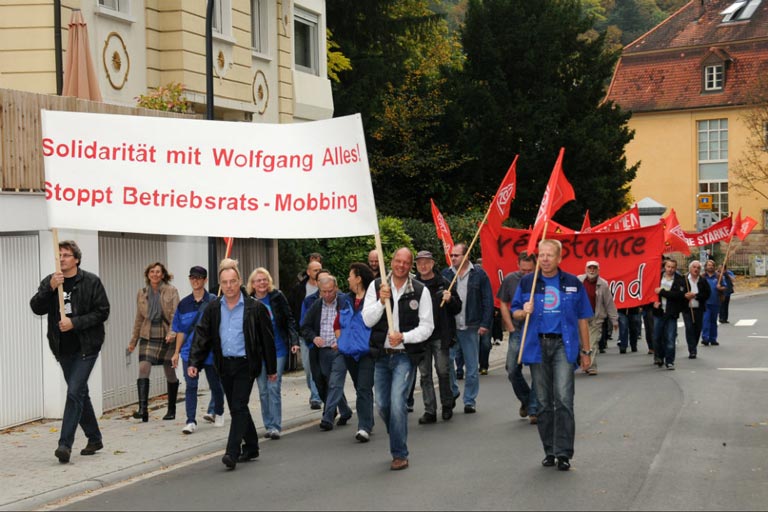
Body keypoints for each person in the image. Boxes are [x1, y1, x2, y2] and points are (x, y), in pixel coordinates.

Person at [511, 239, 592, 471]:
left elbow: (582, 318)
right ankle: (549, 450)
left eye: (550, 255)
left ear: (559, 258)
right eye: (542, 255)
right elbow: (514, 310)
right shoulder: (528, 282)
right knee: (544, 403)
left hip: (563, 347)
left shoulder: (572, 283)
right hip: (537, 346)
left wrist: (586, 352)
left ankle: (564, 452)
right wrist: (521, 311)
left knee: (564, 399)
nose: (545, 259)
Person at [188, 258, 277, 470]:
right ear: (220, 284)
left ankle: (232, 452)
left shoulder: (254, 308)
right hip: (223, 364)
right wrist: (194, 362)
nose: (229, 286)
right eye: (225, 282)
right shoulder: (212, 309)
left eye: (233, 281)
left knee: (237, 406)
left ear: (240, 282)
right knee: (238, 407)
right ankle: (253, 446)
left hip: (246, 365)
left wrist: (271, 368)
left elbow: (267, 340)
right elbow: (202, 336)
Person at [30, 240, 110, 464]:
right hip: (62, 348)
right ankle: (94, 438)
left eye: (66, 255)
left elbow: (103, 311)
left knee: (74, 392)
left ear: (76, 259)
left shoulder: (91, 281)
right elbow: (36, 307)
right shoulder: (52, 280)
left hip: (87, 346)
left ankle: (64, 445)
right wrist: (50, 288)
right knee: (80, 393)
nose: (62, 258)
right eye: (60, 255)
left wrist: (75, 323)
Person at [363, 247, 434, 470]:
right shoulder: (376, 287)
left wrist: (404, 336)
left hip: (405, 356)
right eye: (397, 260)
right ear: (391, 261)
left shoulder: (420, 291)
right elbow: (367, 319)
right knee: (383, 405)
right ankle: (396, 432)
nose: (401, 265)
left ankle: (399, 453)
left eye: (405, 262)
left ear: (410, 265)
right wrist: (380, 302)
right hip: (381, 356)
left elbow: (427, 326)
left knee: (397, 402)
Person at [171, 266, 225, 434]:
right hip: (189, 352)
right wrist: (176, 352)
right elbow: (180, 330)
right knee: (191, 385)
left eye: (199, 277)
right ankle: (190, 421)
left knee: (215, 383)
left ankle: (219, 412)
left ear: (205, 280)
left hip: (209, 351)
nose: (195, 280)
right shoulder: (183, 304)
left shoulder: (214, 301)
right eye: (193, 277)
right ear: (189, 279)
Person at [247, 267, 300, 440]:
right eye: (258, 280)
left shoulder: (277, 297)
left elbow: (289, 319)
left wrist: (294, 341)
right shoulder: (248, 302)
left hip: (278, 349)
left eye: (264, 279)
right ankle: (268, 424)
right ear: (252, 284)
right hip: (258, 352)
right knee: (263, 390)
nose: (262, 283)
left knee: (273, 387)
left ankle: (276, 426)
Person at [442, 243, 493, 413]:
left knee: (472, 366)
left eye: (456, 255)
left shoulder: (479, 274)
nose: (453, 258)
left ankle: (470, 400)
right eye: (452, 255)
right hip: (451, 327)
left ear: (466, 256)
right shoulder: (446, 274)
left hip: (471, 325)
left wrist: (485, 323)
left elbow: (487, 300)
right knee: (447, 362)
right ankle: (454, 390)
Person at [127, 262, 180, 422]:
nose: (155, 274)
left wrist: (172, 333)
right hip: (147, 335)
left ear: (163, 275)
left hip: (166, 335)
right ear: (148, 274)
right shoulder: (142, 293)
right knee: (144, 367)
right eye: (152, 271)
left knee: (169, 371)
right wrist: (133, 340)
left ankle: (171, 409)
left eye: (158, 272)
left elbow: (176, 314)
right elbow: (139, 318)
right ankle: (143, 409)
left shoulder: (172, 291)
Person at [413, 250, 462, 423]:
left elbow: (457, 308)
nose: (423, 266)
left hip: (441, 334)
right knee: (425, 374)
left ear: (433, 263)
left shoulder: (445, 283)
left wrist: (450, 300)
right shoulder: (412, 285)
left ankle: (447, 404)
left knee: (443, 371)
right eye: (419, 263)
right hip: (420, 336)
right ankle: (430, 410)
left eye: (426, 262)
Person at [301, 275, 353, 431]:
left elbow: (353, 324)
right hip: (322, 351)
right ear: (320, 291)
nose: (328, 295)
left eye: (331, 291)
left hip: (340, 350)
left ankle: (328, 417)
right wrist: (314, 337)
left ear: (336, 288)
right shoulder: (316, 305)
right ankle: (345, 411)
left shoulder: (345, 302)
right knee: (327, 381)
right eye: (324, 292)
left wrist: (343, 340)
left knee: (335, 382)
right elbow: (305, 327)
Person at [335, 262, 377, 442]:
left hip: (368, 351)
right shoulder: (344, 299)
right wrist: (341, 341)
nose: (348, 279)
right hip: (349, 352)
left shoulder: (373, 298)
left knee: (363, 388)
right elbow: (337, 323)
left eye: (350, 275)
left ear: (359, 278)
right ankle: (369, 419)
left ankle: (364, 426)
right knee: (361, 387)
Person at [497, 251, 539, 424]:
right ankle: (527, 400)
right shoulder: (510, 279)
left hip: (536, 331)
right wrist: (510, 326)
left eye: (530, 270)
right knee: (512, 369)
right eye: (524, 270)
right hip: (517, 330)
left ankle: (534, 409)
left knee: (538, 371)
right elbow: (502, 303)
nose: (527, 273)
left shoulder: (542, 279)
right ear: (518, 266)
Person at [289, 259, 323, 409]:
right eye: (315, 270)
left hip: (323, 336)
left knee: (321, 368)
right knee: (309, 369)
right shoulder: (299, 290)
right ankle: (314, 391)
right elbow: (292, 311)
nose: (317, 272)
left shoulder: (327, 287)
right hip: (305, 335)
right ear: (308, 272)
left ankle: (316, 396)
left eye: (319, 269)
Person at [577, 261, 618, 376]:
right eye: (590, 268)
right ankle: (585, 361)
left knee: (593, 342)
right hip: (580, 317)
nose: (592, 270)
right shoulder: (578, 281)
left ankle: (591, 366)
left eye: (594, 268)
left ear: (598, 270)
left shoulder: (603, 284)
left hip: (595, 317)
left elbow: (609, 303)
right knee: (582, 342)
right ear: (585, 269)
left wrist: (614, 319)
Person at [652, 258, 687, 369]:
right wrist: (653, 302)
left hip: (671, 313)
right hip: (658, 312)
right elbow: (650, 291)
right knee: (657, 337)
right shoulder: (657, 277)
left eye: (673, 267)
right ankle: (659, 357)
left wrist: (662, 292)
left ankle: (670, 361)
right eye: (668, 267)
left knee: (670, 338)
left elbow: (679, 295)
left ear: (675, 268)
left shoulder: (680, 280)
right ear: (664, 267)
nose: (670, 269)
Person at [681, 260, 711, 359]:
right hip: (687, 309)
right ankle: (692, 350)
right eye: (694, 267)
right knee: (689, 328)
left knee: (697, 329)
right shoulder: (684, 279)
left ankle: (694, 344)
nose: (696, 269)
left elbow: (707, 294)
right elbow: (679, 293)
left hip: (698, 308)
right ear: (690, 268)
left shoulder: (702, 280)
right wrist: (685, 296)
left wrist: (696, 295)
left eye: (698, 268)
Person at [702, 259, 726, 346]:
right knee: (705, 320)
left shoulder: (719, 277)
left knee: (713, 321)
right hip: (705, 303)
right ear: (706, 267)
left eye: (712, 265)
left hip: (716, 302)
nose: (710, 267)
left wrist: (720, 288)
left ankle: (713, 338)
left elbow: (725, 287)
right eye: (709, 265)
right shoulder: (703, 277)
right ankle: (705, 338)